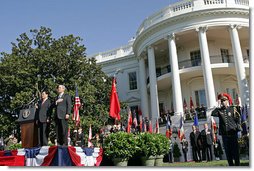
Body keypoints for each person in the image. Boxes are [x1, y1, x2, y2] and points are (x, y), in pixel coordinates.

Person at [212, 93, 241, 166]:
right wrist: (218, 106)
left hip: (233, 134)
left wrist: (239, 129)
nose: (223, 102)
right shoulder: (219, 110)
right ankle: (231, 166)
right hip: (225, 135)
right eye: (221, 100)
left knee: (235, 152)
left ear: (228, 100)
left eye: (224, 100)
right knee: (228, 153)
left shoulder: (232, 108)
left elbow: (238, 118)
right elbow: (213, 113)